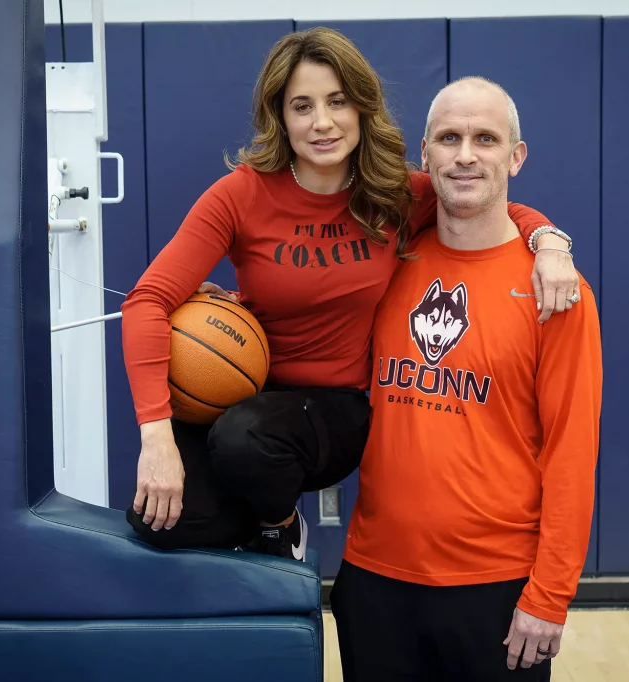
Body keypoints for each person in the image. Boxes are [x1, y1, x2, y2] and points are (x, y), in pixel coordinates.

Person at [121, 28, 580, 560]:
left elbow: (490, 203)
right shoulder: (241, 195)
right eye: (302, 106)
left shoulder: (394, 193)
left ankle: (282, 525)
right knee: (159, 520)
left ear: (361, 107)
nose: (322, 122)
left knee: (245, 442)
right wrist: (156, 439)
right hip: (244, 391)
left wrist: (550, 242)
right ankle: (257, 507)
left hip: (333, 410)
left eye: (337, 102)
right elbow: (147, 301)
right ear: (280, 117)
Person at [329, 76, 602, 681]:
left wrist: (550, 594)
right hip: (374, 580)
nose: (466, 155)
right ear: (424, 156)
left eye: (486, 138)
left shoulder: (557, 294)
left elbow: (571, 455)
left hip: (496, 590)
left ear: (516, 156)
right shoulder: (386, 261)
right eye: (448, 138)